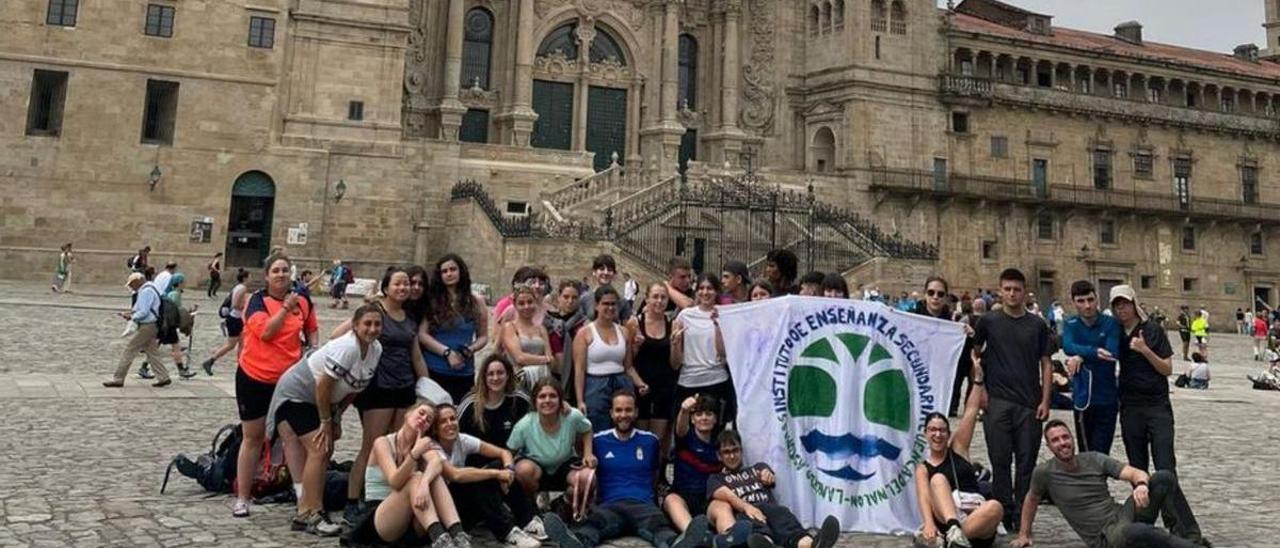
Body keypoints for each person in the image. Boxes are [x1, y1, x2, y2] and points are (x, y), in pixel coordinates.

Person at [265, 304, 383, 536]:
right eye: (366, 323)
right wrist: (325, 420)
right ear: (355, 326)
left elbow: (354, 388)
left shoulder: (375, 349)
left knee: (323, 451)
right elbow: (323, 385)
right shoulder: (346, 347)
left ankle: (310, 508)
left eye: (377, 324)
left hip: (321, 399)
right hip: (297, 394)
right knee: (319, 449)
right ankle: (309, 512)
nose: (372, 329)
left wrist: (337, 417)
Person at [543, 390, 710, 548]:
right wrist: (566, 409)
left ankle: (677, 544)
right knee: (591, 526)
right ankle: (575, 541)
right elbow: (575, 441)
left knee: (661, 529)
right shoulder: (598, 441)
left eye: (628, 410)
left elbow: (656, 474)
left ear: (636, 412)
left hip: (644, 506)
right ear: (611, 413)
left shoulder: (650, 441)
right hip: (609, 506)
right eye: (619, 410)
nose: (623, 415)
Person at [1009, 420, 1208, 548]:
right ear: (1049, 446)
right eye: (1055, 440)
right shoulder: (1045, 472)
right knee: (1136, 532)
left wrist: (1141, 484)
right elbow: (1031, 498)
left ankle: (1192, 539)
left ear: (1072, 438)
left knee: (1164, 477)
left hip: (1123, 514)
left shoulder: (1094, 459)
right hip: (1106, 537)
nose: (1062, 443)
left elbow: (1134, 472)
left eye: (1065, 437)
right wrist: (1024, 534)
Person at [231, 253, 319, 518]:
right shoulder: (256, 302)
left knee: (293, 437)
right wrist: (284, 308)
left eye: (285, 270)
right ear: (267, 276)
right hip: (255, 378)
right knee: (254, 437)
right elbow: (267, 333)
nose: (281, 275)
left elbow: (311, 327)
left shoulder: (302, 301)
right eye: (276, 271)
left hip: (289, 381)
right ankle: (243, 497)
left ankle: (302, 496)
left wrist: (314, 348)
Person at [341, 267, 431, 523]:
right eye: (397, 284)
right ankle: (352, 500)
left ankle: (386, 500)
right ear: (386, 287)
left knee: (400, 446)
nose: (403, 288)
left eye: (406, 284)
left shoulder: (408, 316)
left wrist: (426, 387)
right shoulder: (374, 311)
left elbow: (415, 355)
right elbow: (343, 333)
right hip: (378, 388)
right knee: (372, 445)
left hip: (404, 387)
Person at [970, 268, 1052, 531]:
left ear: (1024, 291)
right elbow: (974, 355)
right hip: (998, 402)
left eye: (1017, 289)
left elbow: (1046, 364)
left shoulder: (1037, 324)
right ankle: (1003, 511)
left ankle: (1022, 514)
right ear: (1000, 290)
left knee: (1026, 463)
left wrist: (1046, 399)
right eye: (1007, 289)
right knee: (1000, 460)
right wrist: (979, 388)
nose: (1012, 294)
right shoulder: (988, 322)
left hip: (1029, 403)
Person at [354, 403, 469, 548]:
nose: (423, 419)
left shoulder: (422, 444)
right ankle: (440, 539)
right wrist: (414, 454)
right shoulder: (383, 443)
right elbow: (395, 481)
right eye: (421, 413)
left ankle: (458, 535)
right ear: (408, 414)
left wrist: (425, 484)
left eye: (428, 420)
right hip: (380, 517)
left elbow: (437, 463)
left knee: (434, 477)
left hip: (411, 519)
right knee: (415, 477)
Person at [432, 403, 543, 548]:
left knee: (498, 464)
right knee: (476, 479)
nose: (450, 424)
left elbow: (504, 453)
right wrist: (496, 474)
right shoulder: (433, 447)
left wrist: (508, 471)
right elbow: (455, 475)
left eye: (453, 419)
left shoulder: (461, 440)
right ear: (435, 428)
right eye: (443, 421)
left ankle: (527, 521)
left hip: (467, 505)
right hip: (448, 514)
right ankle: (507, 533)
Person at [706, 430, 841, 548]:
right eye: (726, 452)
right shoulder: (716, 478)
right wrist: (747, 507)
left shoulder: (757, 468)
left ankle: (811, 544)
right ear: (719, 456)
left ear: (741, 450)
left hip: (771, 508)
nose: (732, 456)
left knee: (786, 522)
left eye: (735, 450)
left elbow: (768, 474)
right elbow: (723, 494)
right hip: (746, 513)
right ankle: (767, 544)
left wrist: (767, 475)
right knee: (754, 528)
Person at [914, 380, 1003, 548]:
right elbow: (924, 498)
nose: (938, 434)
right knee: (938, 479)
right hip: (946, 519)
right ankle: (954, 530)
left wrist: (977, 381)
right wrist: (928, 523)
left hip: (976, 517)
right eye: (933, 430)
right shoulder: (923, 468)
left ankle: (955, 540)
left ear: (948, 434)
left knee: (995, 507)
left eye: (942, 430)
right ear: (926, 434)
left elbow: (971, 411)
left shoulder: (958, 449)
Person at [1111, 285, 1178, 479]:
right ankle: (1144, 508)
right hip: (1130, 405)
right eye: (1117, 305)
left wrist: (1145, 350)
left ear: (1134, 304)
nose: (1122, 309)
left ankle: (1170, 509)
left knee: (1165, 464)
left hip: (1157, 405)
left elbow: (1167, 368)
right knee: (1137, 466)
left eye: (1125, 304)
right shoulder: (1115, 331)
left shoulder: (1152, 330)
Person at [508, 379, 595, 517]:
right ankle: (531, 507)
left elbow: (587, 429)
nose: (547, 400)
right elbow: (509, 452)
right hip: (536, 468)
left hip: (565, 464)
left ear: (560, 399)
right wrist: (506, 472)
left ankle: (564, 505)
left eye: (553, 396)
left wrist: (588, 453)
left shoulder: (572, 416)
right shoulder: (524, 424)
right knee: (522, 470)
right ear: (535, 401)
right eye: (542, 396)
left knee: (587, 477)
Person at [574, 285, 647, 432]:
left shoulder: (624, 332)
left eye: (613, 304)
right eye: (605, 303)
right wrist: (580, 400)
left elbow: (628, 366)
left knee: (624, 426)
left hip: (622, 382)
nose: (610, 307)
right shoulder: (584, 333)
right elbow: (579, 369)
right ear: (596, 305)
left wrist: (640, 383)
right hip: (595, 385)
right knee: (597, 427)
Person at [1061, 280, 1122, 455]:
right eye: (1081, 301)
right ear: (1074, 302)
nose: (1087, 306)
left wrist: (1081, 356)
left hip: (1107, 397)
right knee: (1085, 451)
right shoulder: (1071, 323)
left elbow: (1111, 353)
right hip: (1082, 398)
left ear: (1097, 300)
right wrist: (1092, 352)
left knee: (1102, 453)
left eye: (1090, 300)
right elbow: (1067, 346)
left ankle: (1099, 483)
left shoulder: (1110, 323)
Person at [422, 254, 489, 403]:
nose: (449, 274)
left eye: (453, 269)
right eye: (444, 271)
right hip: (435, 368)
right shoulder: (433, 300)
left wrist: (471, 349)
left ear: (461, 271)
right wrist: (447, 353)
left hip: (464, 370)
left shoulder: (476, 301)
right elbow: (423, 335)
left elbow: (483, 336)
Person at [672, 274, 736, 426]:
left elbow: (724, 354)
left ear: (717, 292)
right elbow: (675, 362)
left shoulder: (724, 314)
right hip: (688, 381)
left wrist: (718, 326)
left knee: (715, 434)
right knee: (685, 433)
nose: (705, 292)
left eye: (710, 288)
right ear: (696, 291)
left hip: (717, 381)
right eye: (701, 288)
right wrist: (674, 343)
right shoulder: (684, 316)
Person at [663, 394, 723, 539]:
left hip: (708, 501)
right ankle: (697, 537)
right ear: (692, 419)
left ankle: (729, 538)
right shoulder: (685, 439)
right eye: (699, 414)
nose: (704, 418)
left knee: (723, 507)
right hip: (682, 497)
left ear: (715, 419)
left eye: (709, 414)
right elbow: (680, 428)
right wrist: (684, 410)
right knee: (671, 500)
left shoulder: (721, 445)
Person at [627, 283, 676, 458]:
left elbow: (675, 363)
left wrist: (675, 344)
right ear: (646, 298)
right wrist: (636, 347)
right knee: (640, 437)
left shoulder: (673, 324)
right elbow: (628, 362)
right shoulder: (635, 323)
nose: (659, 301)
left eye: (663, 297)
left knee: (657, 439)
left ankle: (658, 477)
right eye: (655, 296)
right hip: (642, 385)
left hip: (664, 386)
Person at [912, 276, 973, 417]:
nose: (935, 297)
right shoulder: (911, 319)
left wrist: (967, 337)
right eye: (931, 292)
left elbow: (962, 360)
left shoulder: (953, 325)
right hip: (915, 387)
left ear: (946, 297)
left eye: (940, 294)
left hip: (942, 390)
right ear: (925, 294)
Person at [103, 273, 173, 388]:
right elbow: (142, 308)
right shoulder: (149, 289)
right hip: (151, 325)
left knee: (130, 349)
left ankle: (118, 378)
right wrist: (130, 313)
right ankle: (163, 377)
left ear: (139, 281)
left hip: (147, 326)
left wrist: (132, 317)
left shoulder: (146, 291)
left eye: (132, 284)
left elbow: (144, 312)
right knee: (152, 352)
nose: (131, 287)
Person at [458, 355, 532, 450]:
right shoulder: (470, 403)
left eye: (500, 373)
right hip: (476, 462)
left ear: (508, 375)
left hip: (511, 460)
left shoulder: (520, 399)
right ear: (484, 377)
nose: (496, 378)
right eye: (491, 374)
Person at [501, 286, 557, 388]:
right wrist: (545, 359)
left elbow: (551, 359)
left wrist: (547, 359)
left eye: (530, 302)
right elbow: (519, 358)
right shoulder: (510, 327)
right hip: (518, 380)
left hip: (540, 381)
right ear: (515, 305)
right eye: (521, 303)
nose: (527, 306)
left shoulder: (541, 329)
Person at [199, 268, 249, 375]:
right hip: (235, 319)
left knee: (242, 343)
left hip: (236, 319)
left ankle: (242, 367)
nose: (251, 279)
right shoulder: (242, 288)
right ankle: (210, 361)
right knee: (231, 345)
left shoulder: (238, 287)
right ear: (245, 278)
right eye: (250, 277)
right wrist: (244, 306)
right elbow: (235, 305)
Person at [545, 280, 587, 400]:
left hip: (575, 376)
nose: (570, 301)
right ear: (559, 297)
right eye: (566, 297)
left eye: (574, 297)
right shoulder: (548, 321)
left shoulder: (584, 324)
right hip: (550, 374)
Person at [162, 273, 197, 379]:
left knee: (155, 348)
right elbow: (176, 310)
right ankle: (181, 371)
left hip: (166, 324)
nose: (185, 284)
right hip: (170, 324)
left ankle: (144, 367)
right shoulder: (175, 294)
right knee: (176, 347)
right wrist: (190, 313)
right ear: (179, 283)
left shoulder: (173, 293)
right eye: (183, 282)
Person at [580, 254, 634, 321]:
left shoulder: (622, 301)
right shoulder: (585, 299)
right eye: (601, 269)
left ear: (614, 274)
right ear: (594, 272)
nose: (606, 273)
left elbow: (628, 326)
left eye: (609, 270)